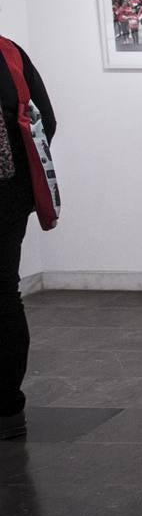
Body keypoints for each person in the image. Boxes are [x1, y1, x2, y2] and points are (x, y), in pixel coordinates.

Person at [0, 38, 55, 440]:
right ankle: (7, 410)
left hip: (9, 196)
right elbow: (44, 121)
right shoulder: (8, 52)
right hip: (10, 194)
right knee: (3, 294)